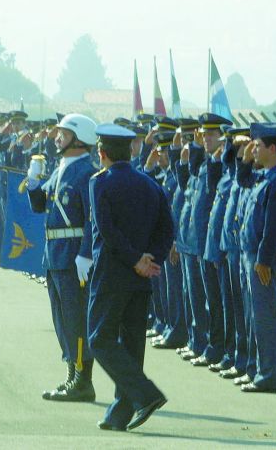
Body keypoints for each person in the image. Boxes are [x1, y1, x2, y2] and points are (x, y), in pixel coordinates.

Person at [87, 124, 174, 431]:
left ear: (102, 153)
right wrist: (151, 260)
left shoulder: (100, 183)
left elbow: (107, 231)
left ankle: (145, 394)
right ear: (131, 151)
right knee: (133, 342)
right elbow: (167, 229)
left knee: (99, 338)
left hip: (112, 273)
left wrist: (136, 259)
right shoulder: (150, 184)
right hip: (141, 276)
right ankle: (120, 413)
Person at [27, 113, 98, 402]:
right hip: (55, 255)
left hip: (74, 257)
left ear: (79, 138)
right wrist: (33, 182)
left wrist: (85, 254)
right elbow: (41, 206)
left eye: (63, 133)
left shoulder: (86, 172)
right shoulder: (60, 169)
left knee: (75, 318)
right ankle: (72, 374)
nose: (57, 138)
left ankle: (83, 381)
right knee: (61, 318)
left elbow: (94, 219)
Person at [236, 122, 276, 393]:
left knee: (266, 319)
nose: (253, 149)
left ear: (272, 148)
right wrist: (244, 161)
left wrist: (264, 259)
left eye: (258, 146)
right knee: (253, 319)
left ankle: (269, 375)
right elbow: (244, 181)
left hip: (263, 261)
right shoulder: (266, 176)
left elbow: (273, 227)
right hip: (252, 256)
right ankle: (256, 370)